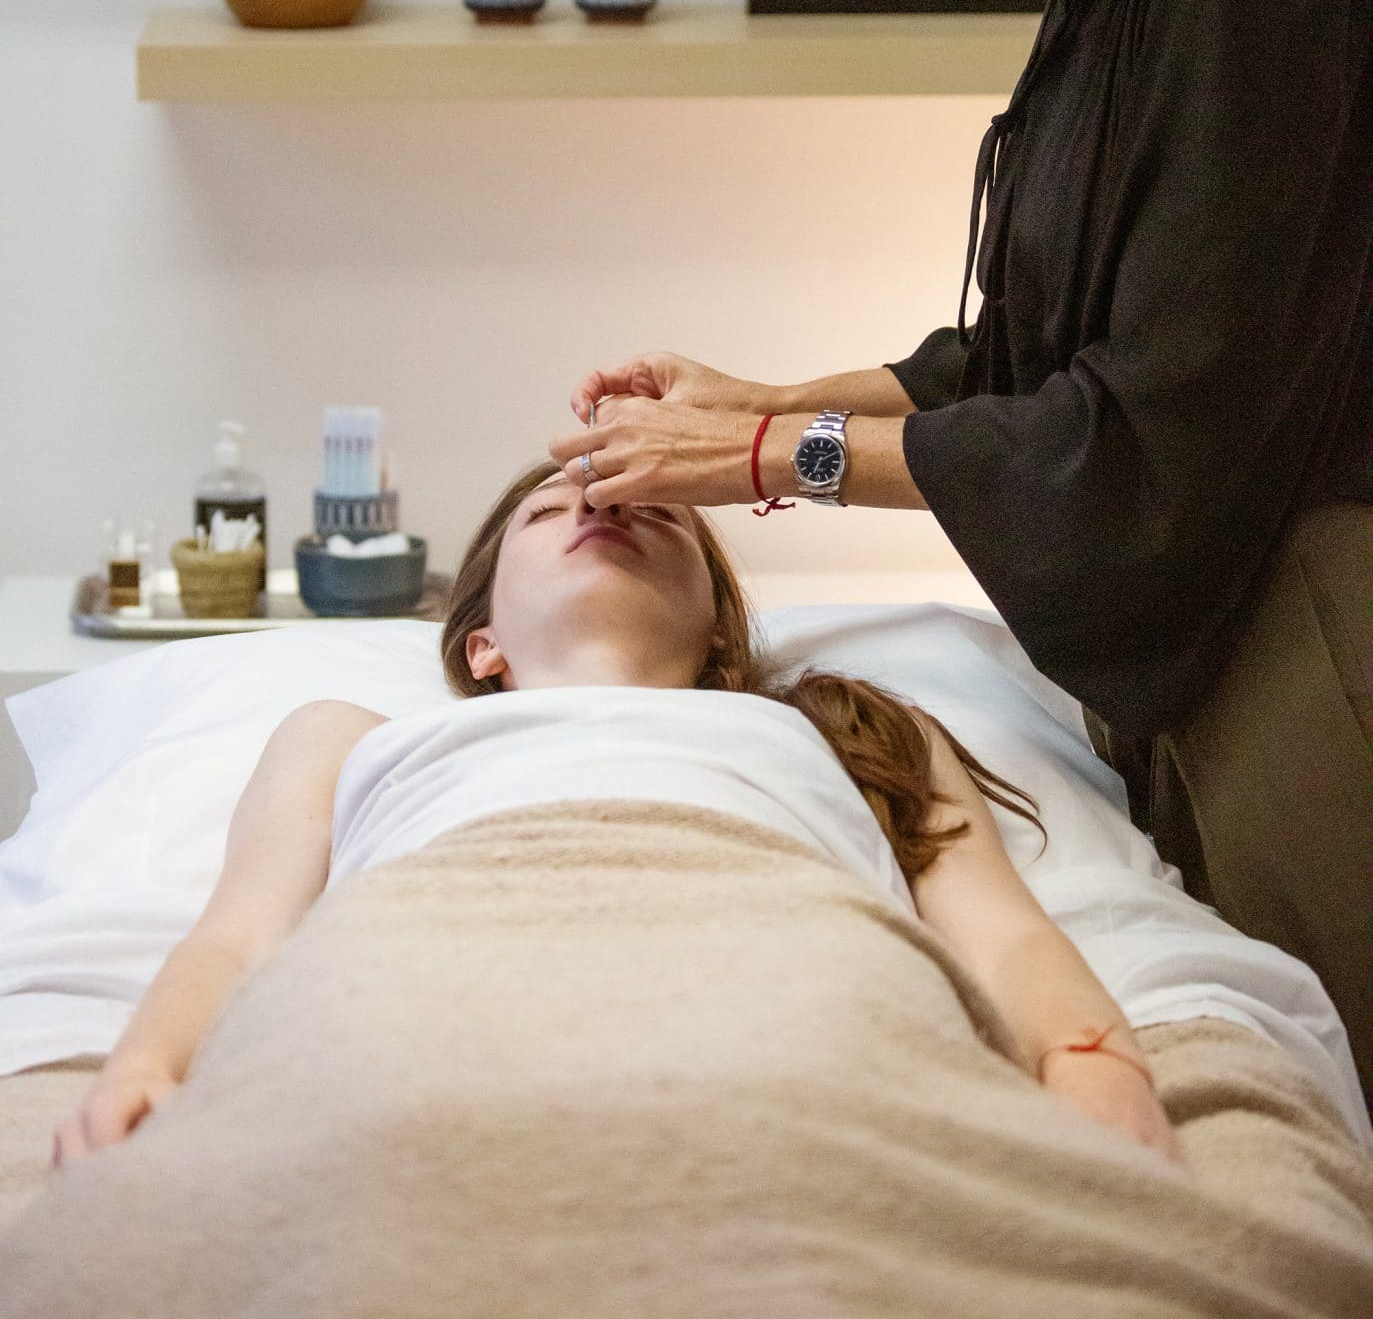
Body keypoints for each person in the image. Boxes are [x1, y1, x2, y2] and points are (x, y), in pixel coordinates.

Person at [546, 0, 1373, 1105]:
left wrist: (772, 456)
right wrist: (762, 399)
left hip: (1300, 633)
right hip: (1207, 627)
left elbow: (1144, 427)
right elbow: (1024, 356)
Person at [49, 463, 1190, 1173]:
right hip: (414, 1002)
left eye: (651, 510)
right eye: (551, 509)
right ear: (481, 645)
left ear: (720, 638)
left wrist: (1091, 1063)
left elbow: (1000, 931)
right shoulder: (353, 737)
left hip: (797, 1009)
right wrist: (144, 1067)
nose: (594, 502)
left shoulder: (842, 728)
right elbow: (237, 939)